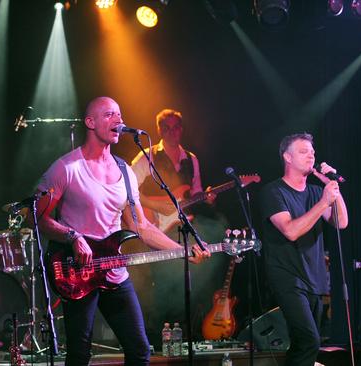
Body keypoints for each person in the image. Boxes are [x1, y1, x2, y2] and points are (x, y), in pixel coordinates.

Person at [35, 97, 210, 365]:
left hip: (114, 271)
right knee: (79, 354)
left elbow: (141, 226)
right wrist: (73, 237)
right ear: (90, 122)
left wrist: (183, 251)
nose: (118, 120)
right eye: (109, 115)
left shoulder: (124, 171)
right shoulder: (66, 168)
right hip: (78, 271)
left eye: (119, 114)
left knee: (140, 351)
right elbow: (36, 217)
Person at [130, 108, 226, 346]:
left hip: (183, 226)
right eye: (167, 128)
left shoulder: (191, 159)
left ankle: (186, 336)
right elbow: (128, 191)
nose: (173, 132)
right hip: (157, 228)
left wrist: (206, 197)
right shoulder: (147, 156)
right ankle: (155, 339)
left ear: (182, 129)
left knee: (190, 280)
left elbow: (193, 193)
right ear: (160, 130)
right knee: (162, 284)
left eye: (176, 127)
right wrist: (155, 206)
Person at [259, 133, 348, 366]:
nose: (311, 155)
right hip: (288, 277)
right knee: (309, 340)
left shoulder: (317, 192)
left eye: (313, 152)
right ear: (287, 157)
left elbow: (342, 222)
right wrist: (323, 202)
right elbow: (290, 231)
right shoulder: (274, 192)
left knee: (305, 344)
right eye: (303, 151)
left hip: (315, 278)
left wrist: (331, 184)